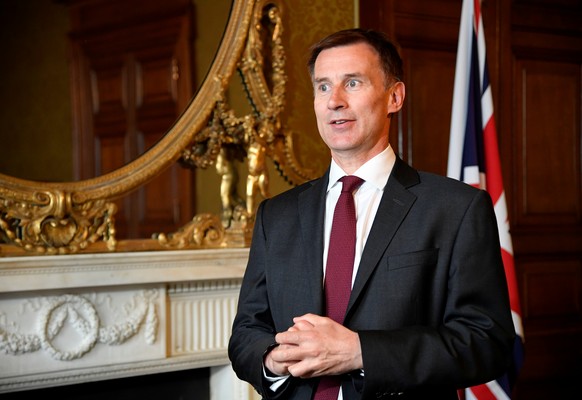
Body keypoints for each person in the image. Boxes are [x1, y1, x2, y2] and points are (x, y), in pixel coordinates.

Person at [228, 28, 515, 400]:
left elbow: (486, 342)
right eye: (323, 87)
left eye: (352, 82)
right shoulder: (276, 215)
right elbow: (246, 334)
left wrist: (359, 352)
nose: (335, 101)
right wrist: (273, 361)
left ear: (394, 97)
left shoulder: (455, 209)